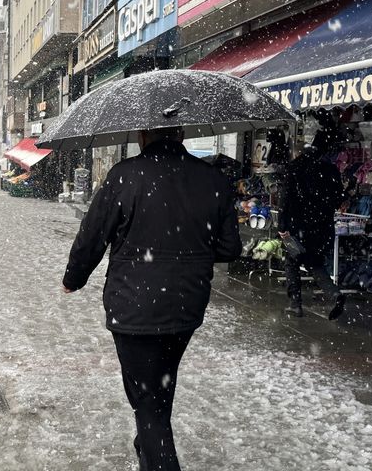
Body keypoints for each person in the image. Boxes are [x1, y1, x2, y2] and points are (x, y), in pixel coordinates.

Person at [60, 129, 241, 471]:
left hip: (134, 306)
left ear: (143, 135)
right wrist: (189, 252)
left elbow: (93, 234)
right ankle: (147, 448)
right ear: (182, 133)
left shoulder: (125, 175)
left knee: (147, 401)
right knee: (160, 386)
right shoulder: (212, 179)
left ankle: (155, 452)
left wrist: (74, 278)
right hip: (186, 306)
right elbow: (230, 247)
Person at [278, 128, 347, 320]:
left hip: (297, 225)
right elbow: (338, 197)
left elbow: (284, 200)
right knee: (314, 262)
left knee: (292, 261)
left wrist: (282, 227)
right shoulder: (330, 169)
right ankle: (334, 294)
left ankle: (295, 304)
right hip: (322, 226)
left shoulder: (294, 168)